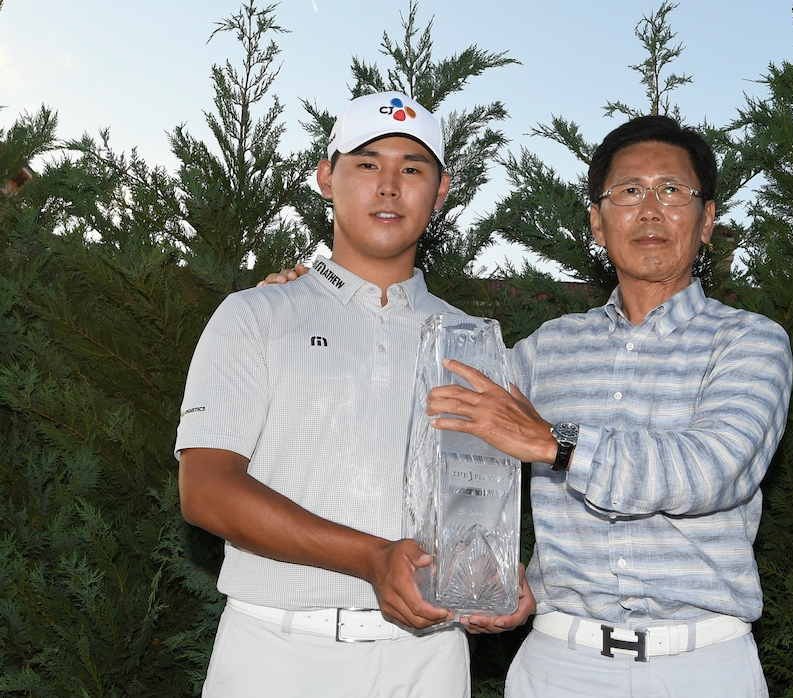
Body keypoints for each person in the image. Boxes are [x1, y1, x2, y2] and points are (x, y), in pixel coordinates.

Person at [175, 90, 531, 698]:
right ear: (326, 178)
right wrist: (370, 557)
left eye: (412, 170)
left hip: (430, 658)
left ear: (441, 192)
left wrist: (489, 572)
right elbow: (206, 489)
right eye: (367, 164)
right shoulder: (255, 314)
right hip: (275, 651)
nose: (389, 187)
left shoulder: (475, 343)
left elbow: (475, 501)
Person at [425, 115, 793, 697]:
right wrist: (319, 290)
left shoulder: (749, 341)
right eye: (628, 191)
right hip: (558, 663)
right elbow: (438, 416)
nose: (650, 210)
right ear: (597, 222)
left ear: (707, 222)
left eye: (672, 190)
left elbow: (713, 470)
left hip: (702, 666)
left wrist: (556, 442)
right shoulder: (545, 349)